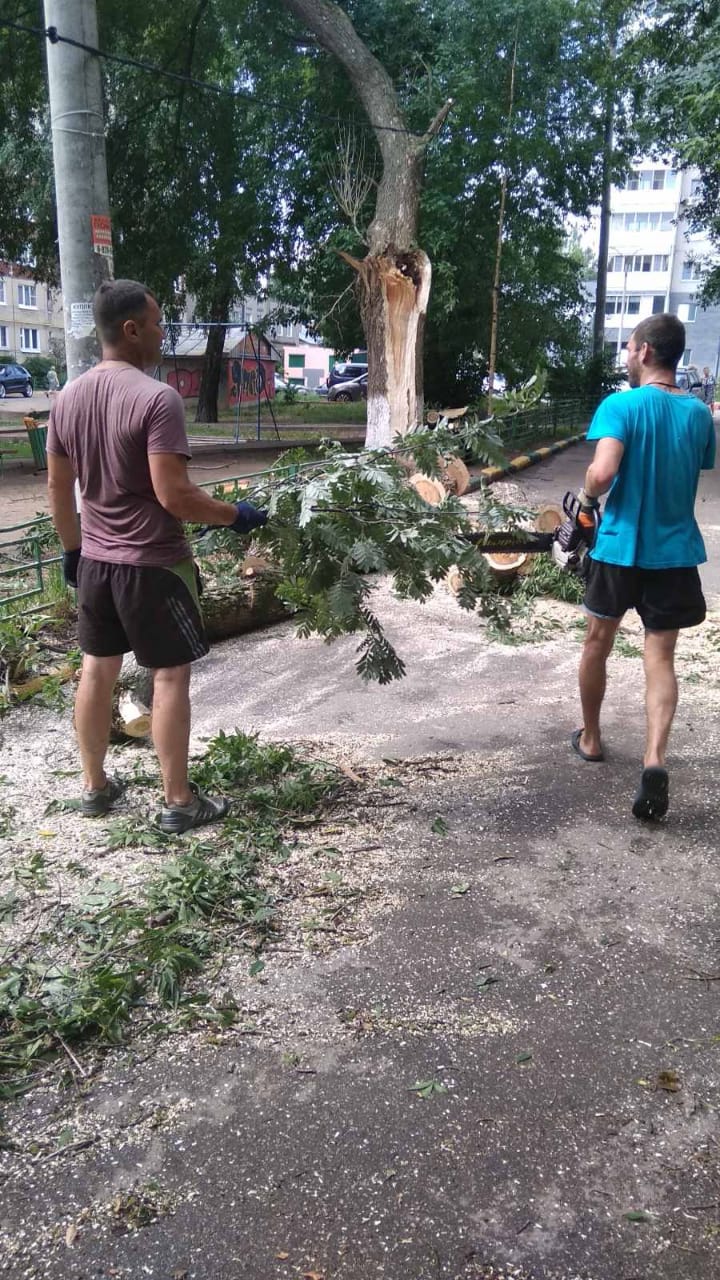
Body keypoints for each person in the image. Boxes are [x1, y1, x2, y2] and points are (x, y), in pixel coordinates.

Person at [47, 278, 268, 833]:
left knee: (96, 672)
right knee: (169, 679)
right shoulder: (156, 398)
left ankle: (95, 788)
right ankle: (178, 802)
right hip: (153, 567)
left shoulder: (66, 399)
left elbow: (57, 490)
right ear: (131, 329)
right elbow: (175, 495)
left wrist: (74, 552)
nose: (162, 332)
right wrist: (236, 515)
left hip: (97, 565)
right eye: (157, 322)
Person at [570, 313, 715, 821]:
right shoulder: (699, 415)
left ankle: (590, 738)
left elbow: (604, 471)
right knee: (661, 658)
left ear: (646, 352)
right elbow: (691, 468)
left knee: (597, 644)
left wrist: (587, 497)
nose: (627, 357)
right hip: (674, 556)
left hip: (618, 551)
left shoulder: (620, 405)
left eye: (629, 348)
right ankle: (654, 758)